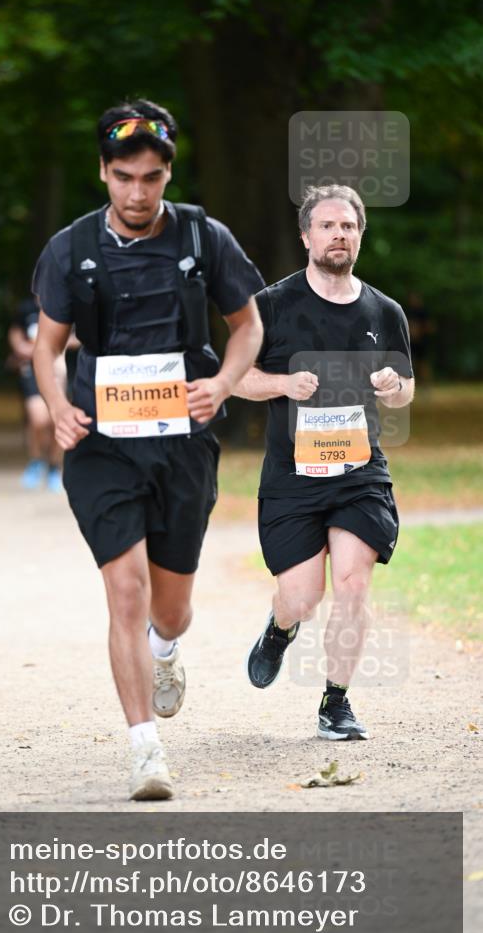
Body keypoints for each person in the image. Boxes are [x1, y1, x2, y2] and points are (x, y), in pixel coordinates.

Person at [33, 99, 264, 800]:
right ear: (103, 173)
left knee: (170, 612)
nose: (138, 193)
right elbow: (47, 347)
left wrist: (222, 384)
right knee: (124, 591)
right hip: (102, 444)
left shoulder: (204, 237)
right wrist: (57, 407)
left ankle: (165, 650)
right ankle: (144, 749)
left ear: (168, 173)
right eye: (124, 176)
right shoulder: (70, 249)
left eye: (152, 177)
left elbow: (248, 325)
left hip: (182, 444)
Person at [234, 184, 414, 741]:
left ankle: (336, 703)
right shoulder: (270, 306)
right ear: (306, 235)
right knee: (302, 596)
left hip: (359, 472)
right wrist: (284, 382)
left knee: (354, 584)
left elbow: (406, 390)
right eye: (329, 225)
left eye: (350, 226)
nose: (340, 234)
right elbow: (235, 378)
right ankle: (279, 629)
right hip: (293, 478)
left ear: (361, 236)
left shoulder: (385, 312)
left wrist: (391, 386)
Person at [8, 297, 66, 492]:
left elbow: (79, 336)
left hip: (61, 368)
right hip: (32, 368)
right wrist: (22, 347)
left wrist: (54, 348)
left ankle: (54, 466)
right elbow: (15, 333)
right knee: (38, 418)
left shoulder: (67, 303)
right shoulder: (26, 308)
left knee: (58, 420)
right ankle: (36, 460)